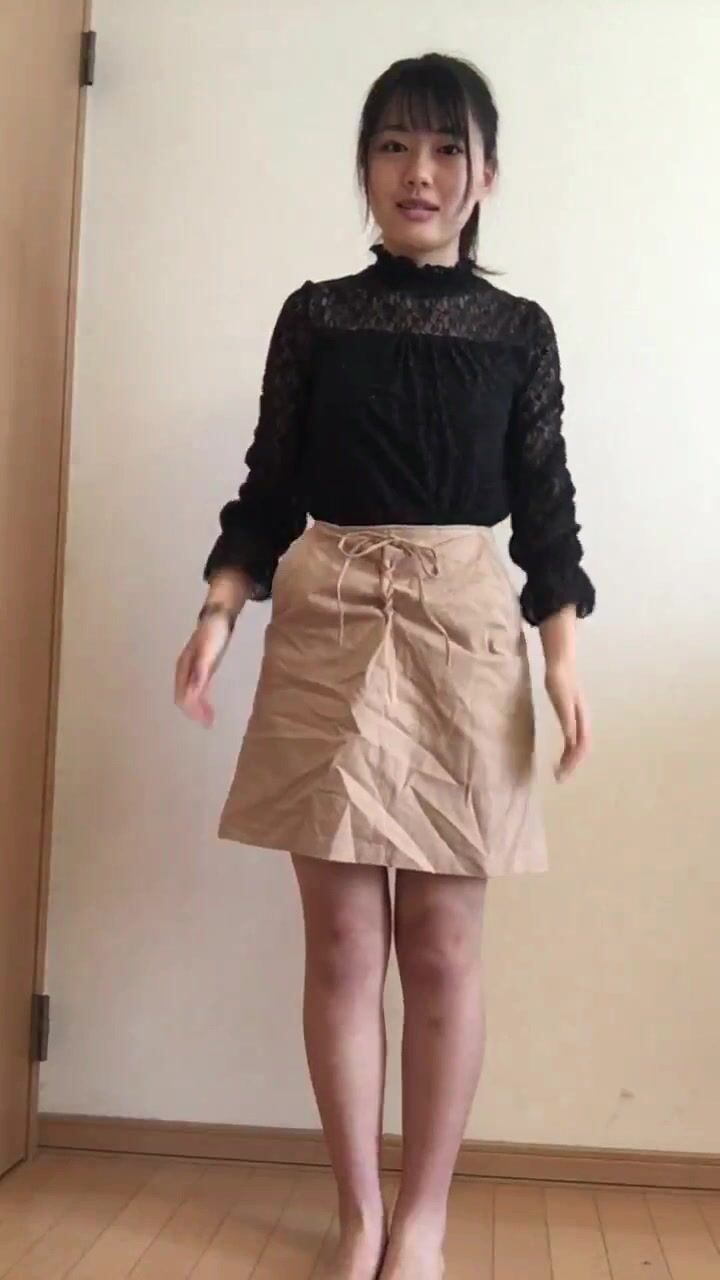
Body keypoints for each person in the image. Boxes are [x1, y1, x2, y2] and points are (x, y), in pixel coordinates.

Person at [175, 51, 595, 1280]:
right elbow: (268, 487)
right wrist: (218, 611)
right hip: (328, 620)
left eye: (447, 148)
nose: (420, 172)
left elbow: (547, 509)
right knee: (346, 945)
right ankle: (361, 1214)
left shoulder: (519, 332)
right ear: (364, 166)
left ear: (486, 174)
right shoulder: (316, 316)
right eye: (395, 145)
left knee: (446, 946)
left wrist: (562, 657)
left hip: (465, 628)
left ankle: (425, 1218)